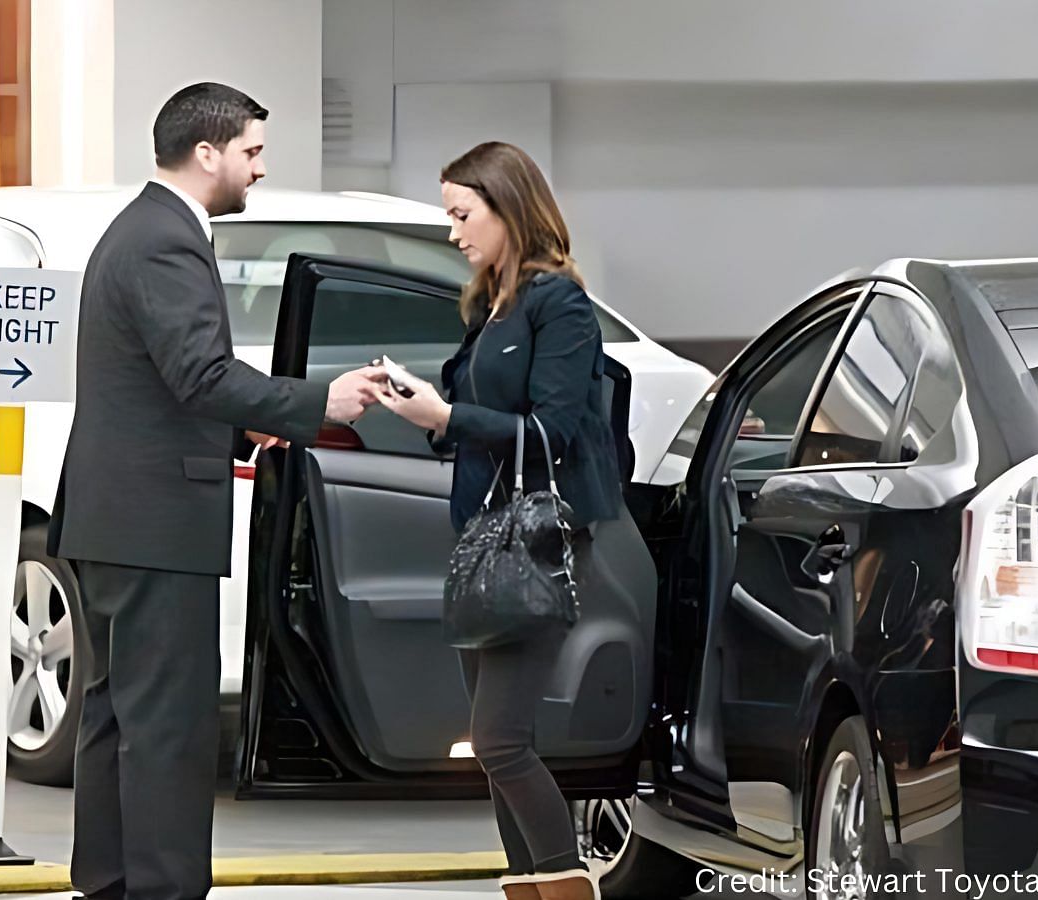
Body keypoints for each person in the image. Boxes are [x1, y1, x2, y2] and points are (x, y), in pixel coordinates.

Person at [46, 82, 386, 900]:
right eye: (253, 152)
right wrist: (317, 403)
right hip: (154, 523)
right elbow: (199, 372)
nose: (259, 169)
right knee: (166, 728)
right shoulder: (167, 239)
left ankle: (112, 882)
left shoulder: (141, 229)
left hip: (119, 518)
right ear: (208, 154)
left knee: (118, 718)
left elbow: (160, 384)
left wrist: (243, 426)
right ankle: (160, 888)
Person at [378, 141, 621, 900]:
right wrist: (431, 412)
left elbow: (555, 433)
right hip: (487, 542)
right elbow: (483, 417)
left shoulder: (559, 303)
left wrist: (448, 414)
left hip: (540, 540)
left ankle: (563, 884)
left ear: (509, 206)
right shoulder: (490, 304)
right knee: (493, 746)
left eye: (462, 215)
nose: (453, 233)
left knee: (499, 740)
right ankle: (529, 885)